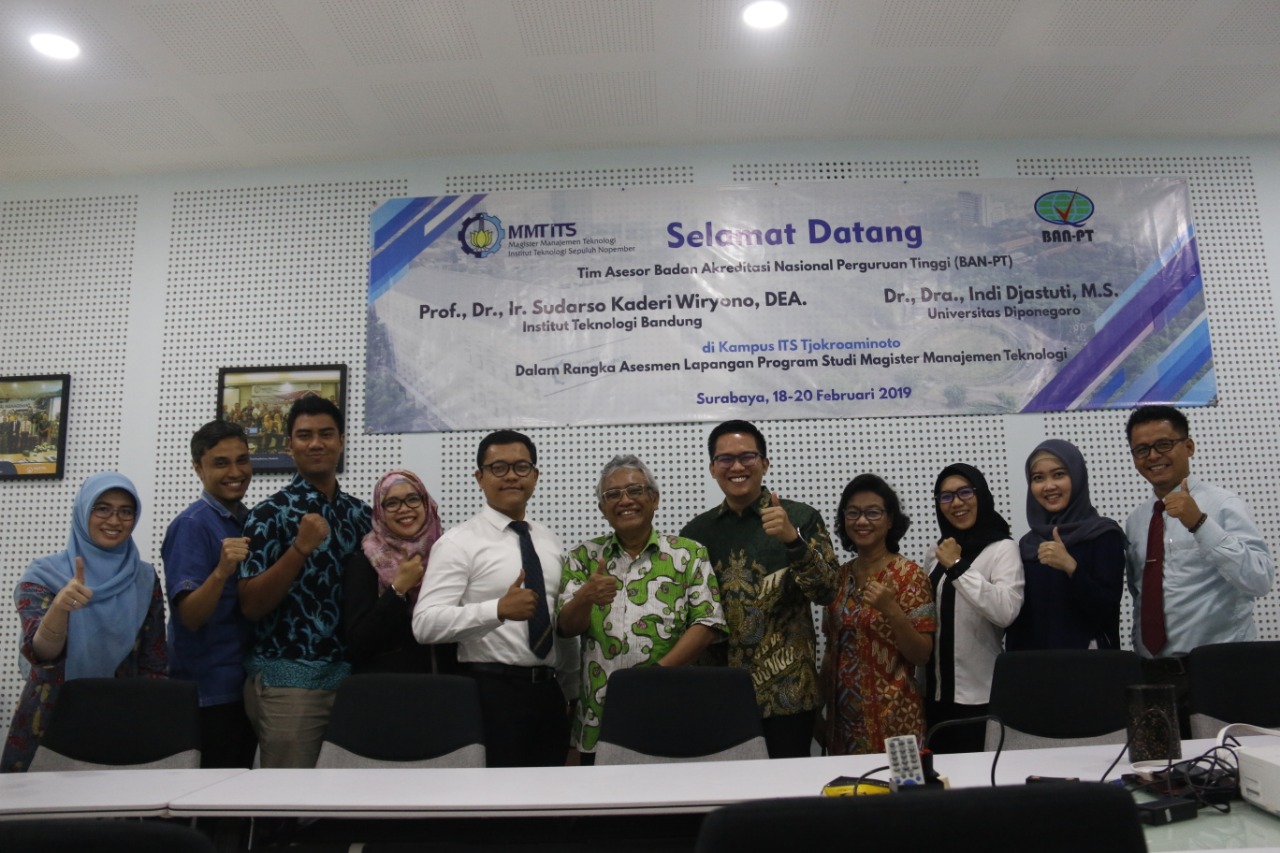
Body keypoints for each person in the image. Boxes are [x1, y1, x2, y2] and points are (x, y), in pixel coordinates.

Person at [412, 430, 577, 767]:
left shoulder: (549, 541)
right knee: (492, 797)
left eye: (521, 467)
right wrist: (497, 610)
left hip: (549, 694)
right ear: (480, 478)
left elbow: (557, 624)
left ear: (535, 476)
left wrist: (572, 690)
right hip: (489, 694)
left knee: (550, 794)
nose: (511, 476)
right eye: (498, 467)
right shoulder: (458, 543)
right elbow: (425, 624)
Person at [681, 419, 839, 758]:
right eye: (725, 459)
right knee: (725, 786)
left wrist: (792, 540)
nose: (737, 467)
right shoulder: (696, 532)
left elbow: (828, 592)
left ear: (765, 463)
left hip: (787, 692)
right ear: (712, 468)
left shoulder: (800, 517)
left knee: (787, 788)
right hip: (720, 694)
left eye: (747, 457)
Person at [558, 455, 726, 764]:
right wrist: (585, 597)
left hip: (670, 703)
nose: (625, 500)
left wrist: (654, 678)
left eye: (635, 490)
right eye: (612, 494)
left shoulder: (688, 554)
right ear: (602, 508)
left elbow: (707, 624)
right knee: (602, 793)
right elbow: (567, 628)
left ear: (654, 499)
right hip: (599, 714)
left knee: (672, 790)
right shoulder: (583, 557)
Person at [2, 473, 167, 772]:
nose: (114, 520)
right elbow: (42, 654)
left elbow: (153, 663)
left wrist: (151, 729)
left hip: (122, 718)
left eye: (126, 511)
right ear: (83, 511)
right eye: (102, 508)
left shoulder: (144, 578)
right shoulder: (44, 575)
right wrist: (59, 609)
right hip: (51, 718)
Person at [239, 396, 371, 768]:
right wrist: (299, 549)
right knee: (289, 796)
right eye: (304, 435)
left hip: (353, 681)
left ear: (341, 441)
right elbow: (250, 605)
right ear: (289, 445)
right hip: (290, 685)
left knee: (349, 794)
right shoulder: (269, 514)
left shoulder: (361, 515)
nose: (316, 443)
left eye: (326, 434)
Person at [1124, 405, 1273, 729]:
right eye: (1141, 449)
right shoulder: (1137, 520)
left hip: (1219, 671)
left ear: (1188, 446)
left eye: (1164, 444)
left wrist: (1200, 524)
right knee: (1161, 762)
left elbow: (1260, 578)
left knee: (1223, 760)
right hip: (1154, 675)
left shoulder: (1222, 505)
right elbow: (1142, 596)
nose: (1153, 456)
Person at [162, 420, 257, 768]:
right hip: (208, 695)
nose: (235, 472)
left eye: (242, 460)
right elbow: (189, 616)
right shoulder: (192, 525)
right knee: (213, 796)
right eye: (221, 463)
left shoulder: (249, 519)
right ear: (198, 468)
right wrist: (221, 571)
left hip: (243, 686)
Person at [819, 473, 934, 755]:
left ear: (890, 519)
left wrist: (891, 610)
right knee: (847, 785)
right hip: (842, 728)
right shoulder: (840, 577)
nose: (862, 521)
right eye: (853, 513)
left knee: (900, 785)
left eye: (872, 513)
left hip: (896, 721)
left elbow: (921, 654)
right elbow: (831, 651)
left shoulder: (909, 576)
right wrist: (817, 711)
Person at [923, 463, 1023, 754]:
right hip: (935, 696)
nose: (956, 503)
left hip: (980, 697)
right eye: (946, 496)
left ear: (981, 495)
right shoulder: (936, 553)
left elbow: (1006, 611)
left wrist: (957, 567)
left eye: (965, 492)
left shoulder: (1002, 549)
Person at [1005, 439, 1125, 652]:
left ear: (1077, 477)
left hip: (1087, 663)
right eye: (1038, 478)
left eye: (1059, 474)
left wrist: (1071, 567)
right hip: (1035, 665)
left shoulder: (1103, 534)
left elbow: (1107, 610)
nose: (1049, 486)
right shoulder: (1028, 544)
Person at [342, 469, 456, 674]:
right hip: (389, 684)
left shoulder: (448, 556)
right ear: (380, 512)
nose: (404, 509)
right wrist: (398, 589)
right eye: (392, 503)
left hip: (448, 681)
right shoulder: (365, 563)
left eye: (413, 499)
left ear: (426, 504)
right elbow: (358, 643)